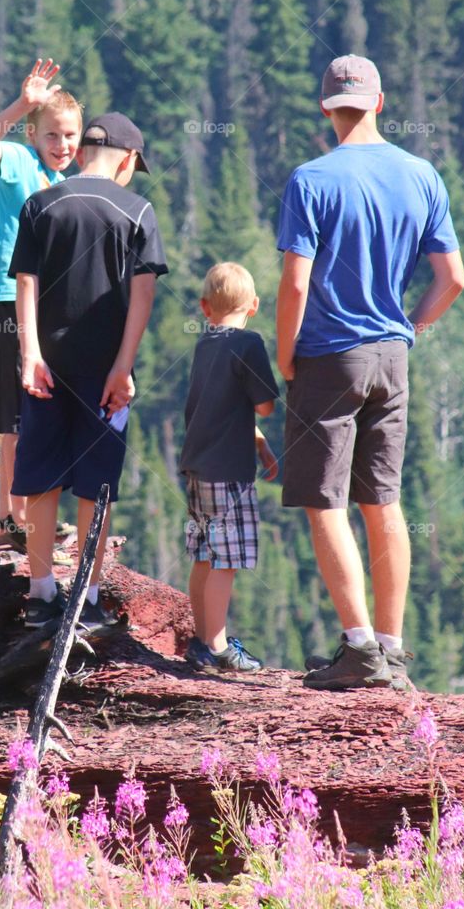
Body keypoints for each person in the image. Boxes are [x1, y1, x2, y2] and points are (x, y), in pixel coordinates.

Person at [276, 55, 464, 691]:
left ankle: (357, 650)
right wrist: (411, 326)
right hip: (393, 353)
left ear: (326, 108)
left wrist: (285, 354)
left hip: (329, 353)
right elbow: (452, 280)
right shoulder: (421, 174)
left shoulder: (311, 179)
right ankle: (393, 646)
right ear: (379, 103)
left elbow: (295, 283)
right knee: (383, 501)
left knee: (323, 501)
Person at [9, 112, 168, 628]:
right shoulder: (137, 211)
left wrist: (30, 354)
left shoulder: (40, 205)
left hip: (46, 366)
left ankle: (39, 595)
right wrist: (123, 367)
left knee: (40, 481)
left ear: (81, 154)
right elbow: (142, 296)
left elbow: (26, 283)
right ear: (126, 160)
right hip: (105, 373)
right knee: (95, 486)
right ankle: (89, 598)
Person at [0, 60, 82, 550]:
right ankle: (17, 516)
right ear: (34, 134)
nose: (63, 145)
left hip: (42, 308)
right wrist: (22, 105)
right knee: (15, 415)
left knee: (30, 412)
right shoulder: (16, 160)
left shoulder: (66, 185)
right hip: (5, 300)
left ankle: (12, 513)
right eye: (53, 135)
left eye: (71, 136)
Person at [179, 262, 280, 673]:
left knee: (205, 553)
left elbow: (219, 409)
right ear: (253, 305)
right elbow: (265, 405)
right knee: (227, 559)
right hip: (229, 475)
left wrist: (258, 442)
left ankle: (201, 640)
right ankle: (219, 646)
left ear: (205, 307)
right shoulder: (249, 343)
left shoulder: (205, 344)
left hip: (199, 468)